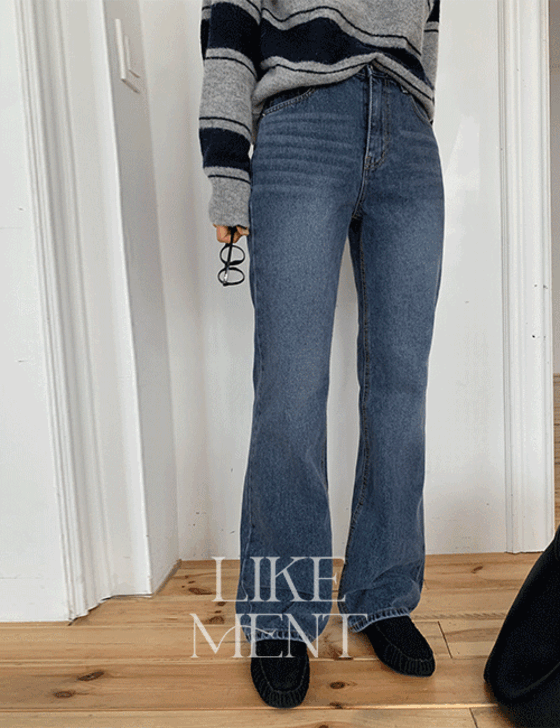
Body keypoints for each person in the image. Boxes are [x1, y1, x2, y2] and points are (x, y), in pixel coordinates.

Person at [199, 0, 444, 709]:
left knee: (402, 383)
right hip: (302, 120)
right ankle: (282, 612)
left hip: (407, 131)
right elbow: (230, 21)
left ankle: (383, 592)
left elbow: (427, 27)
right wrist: (228, 170)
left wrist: (415, 107)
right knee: (291, 384)